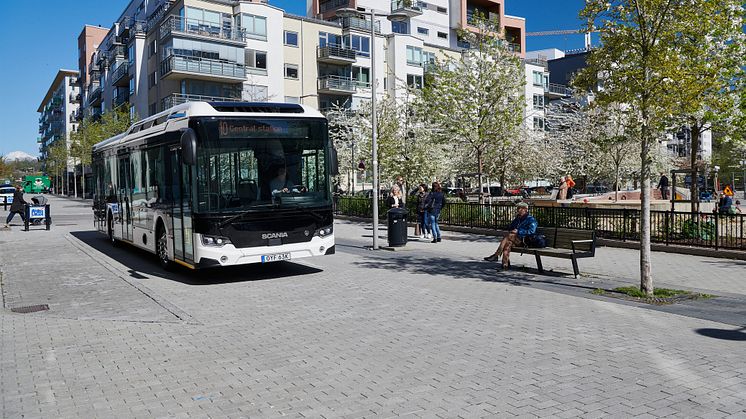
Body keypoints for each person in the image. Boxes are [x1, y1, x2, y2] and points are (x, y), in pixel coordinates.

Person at [483, 202, 538, 271]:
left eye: (519, 208)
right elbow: (510, 228)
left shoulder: (531, 220)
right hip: (515, 239)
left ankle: (496, 255)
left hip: (525, 241)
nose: (518, 210)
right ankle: (504, 266)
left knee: (508, 236)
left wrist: (518, 231)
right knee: (507, 244)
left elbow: (531, 232)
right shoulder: (517, 219)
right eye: (517, 208)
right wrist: (512, 229)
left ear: (525, 209)